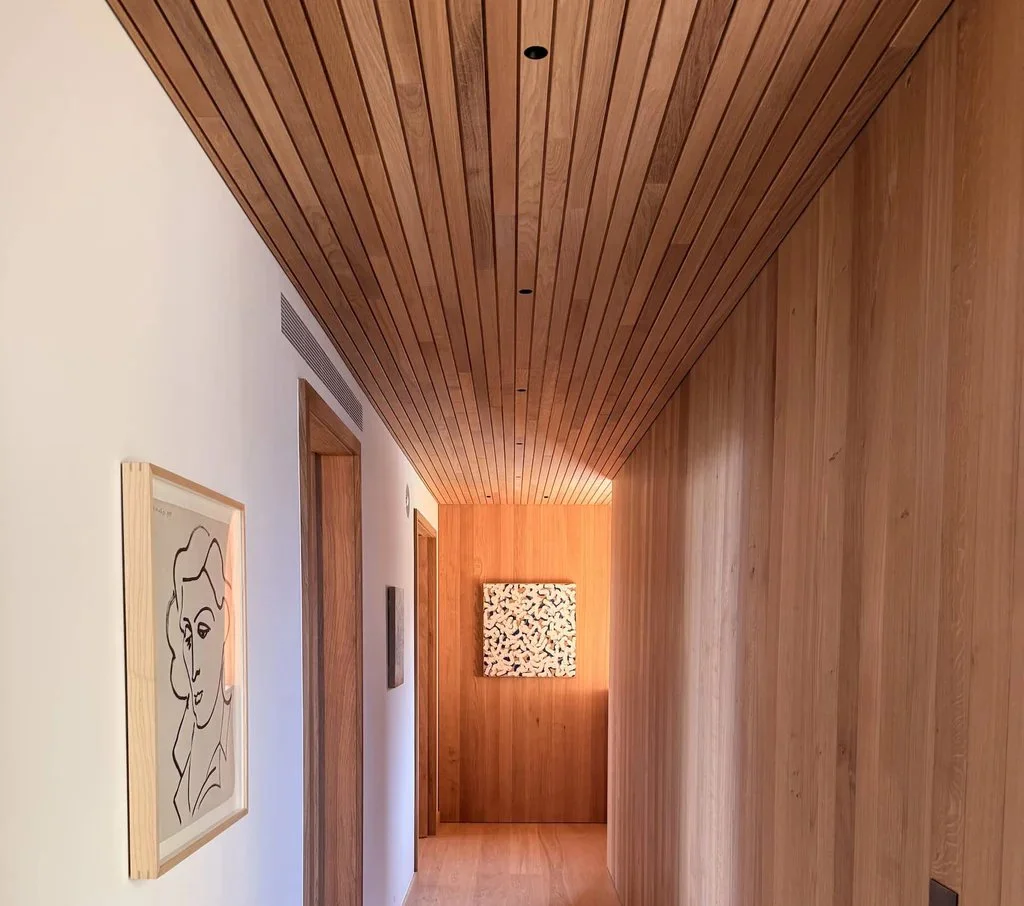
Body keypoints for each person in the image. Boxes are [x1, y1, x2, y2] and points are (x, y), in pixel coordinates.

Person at [166, 525, 233, 822]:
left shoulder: (229, 756)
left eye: (204, 630)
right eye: (188, 636)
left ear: (225, 628)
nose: (192, 664)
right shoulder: (181, 751)